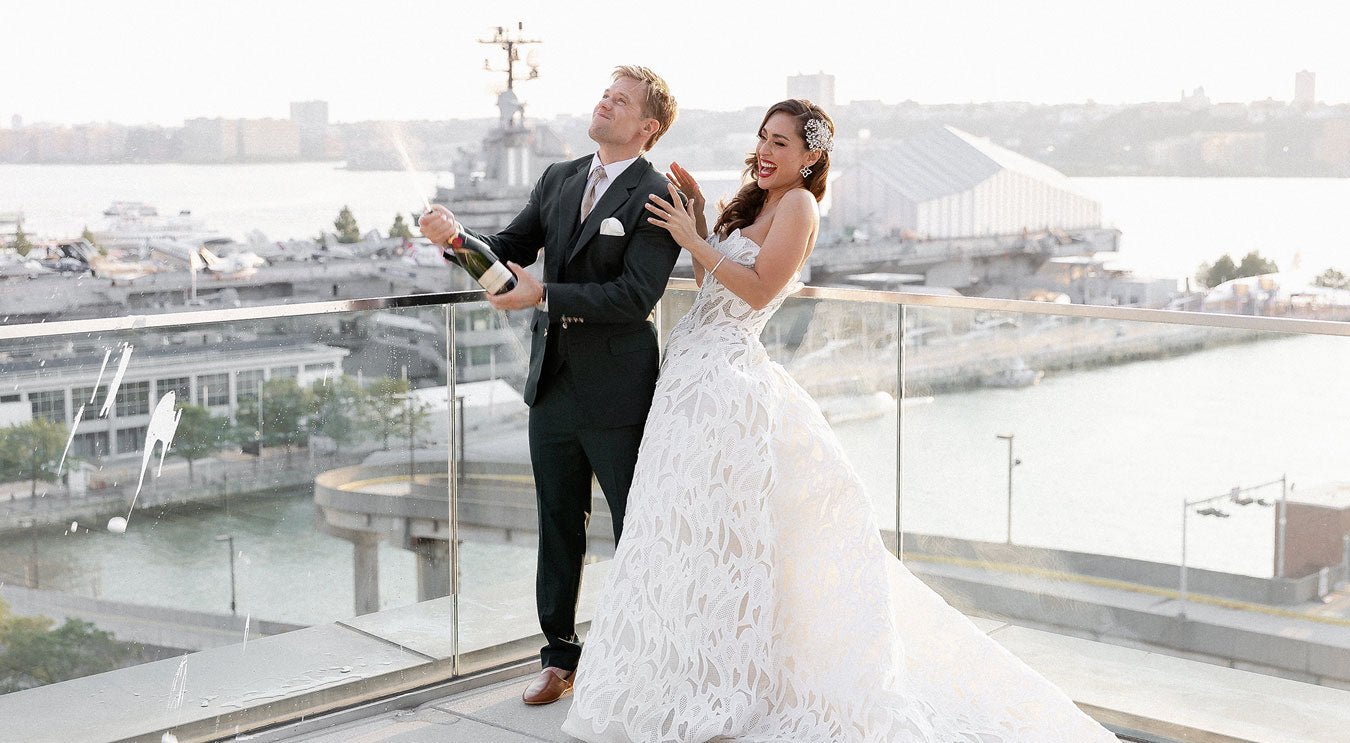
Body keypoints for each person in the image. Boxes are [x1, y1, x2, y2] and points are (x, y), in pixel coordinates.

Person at [560, 100, 1117, 741]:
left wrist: (693, 241)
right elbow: (716, 282)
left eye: (783, 143)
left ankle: (734, 682)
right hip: (689, 378)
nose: (767, 152)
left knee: (731, 542)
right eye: (764, 138)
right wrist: (698, 222)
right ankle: (692, 674)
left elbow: (761, 289)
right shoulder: (753, 199)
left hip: (727, 382)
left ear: (810, 156)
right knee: (689, 536)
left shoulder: (800, 205)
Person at [419, 65, 681, 707]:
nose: (604, 103)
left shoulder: (661, 194)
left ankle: (650, 657)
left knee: (637, 528)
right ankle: (559, 659)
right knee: (557, 523)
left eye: (619, 100)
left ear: (648, 126)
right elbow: (508, 248)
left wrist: (546, 295)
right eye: (603, 94)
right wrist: (456, 241)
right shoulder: (559, 178)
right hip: (553, 386)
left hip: (620, 391)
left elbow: (636, 295)